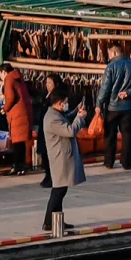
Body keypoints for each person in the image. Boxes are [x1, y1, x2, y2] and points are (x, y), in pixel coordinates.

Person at [42, 85, 88, 231]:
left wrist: (76, 111)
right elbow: (70, 130)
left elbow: (66, 118)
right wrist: (80, 118)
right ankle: (49, 222)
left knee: (60, 190)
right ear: (59, 103)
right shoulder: (52, 119)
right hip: (60, 159)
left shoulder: (55, 114)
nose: (66, 104)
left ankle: (56, 220)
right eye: (66, 102)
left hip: (62, 157)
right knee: (58, 191)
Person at [95, 42, 131, 170]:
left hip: (113, 106)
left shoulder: (111, 67)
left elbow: (105, 88)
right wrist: (129, 92)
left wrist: (99, 103)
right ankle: (126, 162)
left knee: (110, 134)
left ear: (115, 52)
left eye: (109, 53)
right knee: (126, 134)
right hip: (128, 106)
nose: (108, 55)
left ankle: (109, 161)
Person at [0, 61, 34, 175]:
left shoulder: (9, 79)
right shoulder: (18, 78)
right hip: (25, 112)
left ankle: (16, 166)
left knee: (16, 142)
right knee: (21, 141)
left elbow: (10, 98)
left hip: (16, 114)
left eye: (0, 74)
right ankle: (22, 166)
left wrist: (4, 108)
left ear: (3, 72)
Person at [36, 73, 59, 187]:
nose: (47, 85)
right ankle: (47, 174)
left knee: (49, 152)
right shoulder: (45, 94)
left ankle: (51, 176)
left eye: (50, 83)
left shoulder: (57, 96)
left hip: (51, 127)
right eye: (46, 83)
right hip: (43, 125)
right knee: (44, 152)